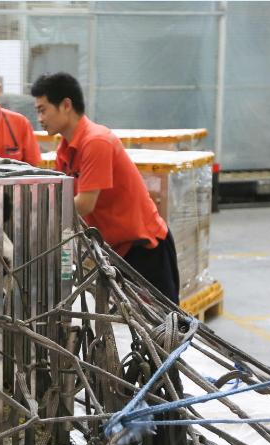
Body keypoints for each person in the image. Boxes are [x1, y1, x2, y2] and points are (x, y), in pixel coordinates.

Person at [30, 72, 180, 303]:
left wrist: (39, 213)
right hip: (115, 252)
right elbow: (69, 204)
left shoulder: (96, 141)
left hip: (145, 248)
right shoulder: (65, 151)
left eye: (43, 110)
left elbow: (84, 203)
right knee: (133, 327)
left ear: (66, 105)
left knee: (166, 329)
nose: (39, 118)